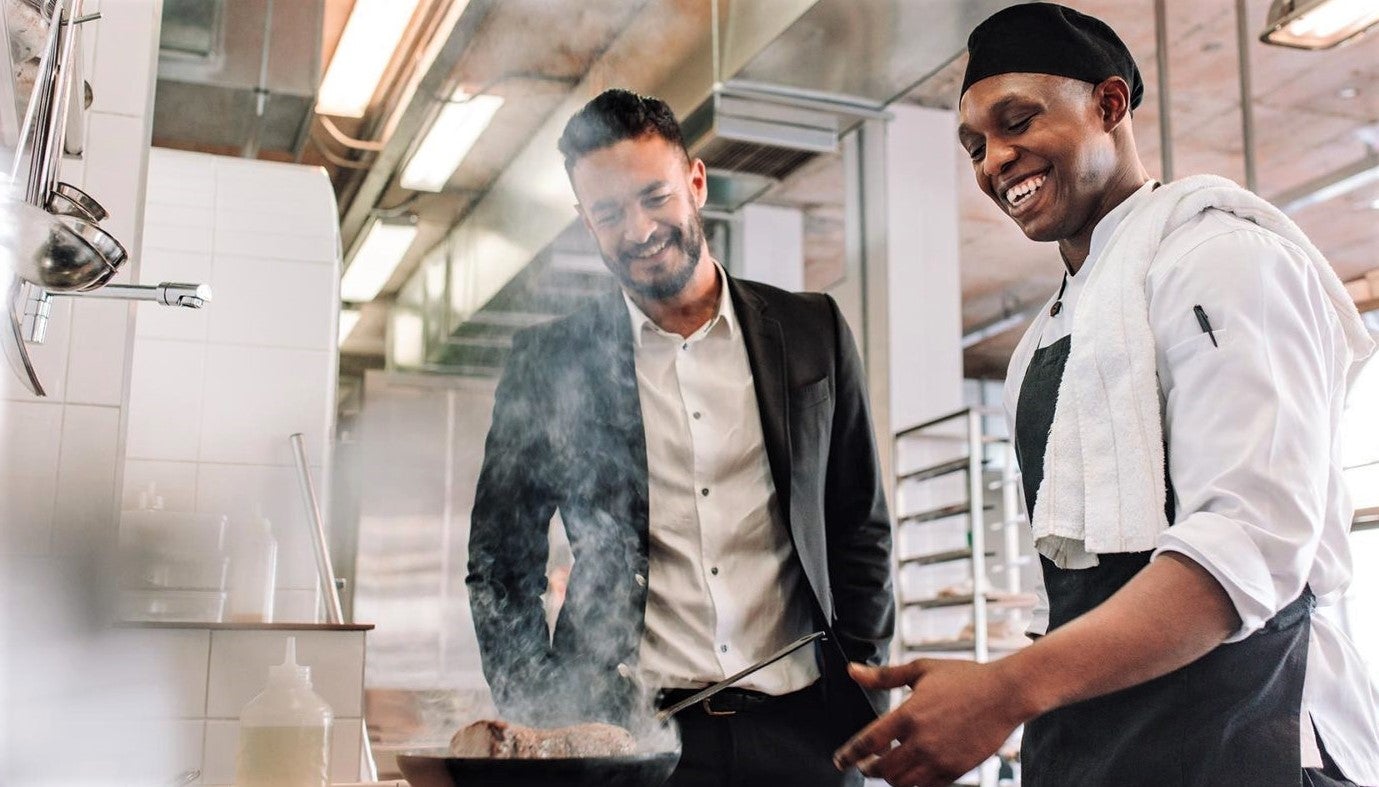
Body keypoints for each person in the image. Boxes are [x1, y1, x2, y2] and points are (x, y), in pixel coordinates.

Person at [833, 4, 1379, 787]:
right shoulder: (1042, 344)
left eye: (1017, 120)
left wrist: (1007, 689)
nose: (994, 161)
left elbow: (1248, 543)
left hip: (1250, 737)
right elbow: (1078, 589)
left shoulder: (1221, 259)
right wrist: (993, 692)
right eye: (975, 145)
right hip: (1107, 752)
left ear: (1109, 104)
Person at [467, 88, 893, 787]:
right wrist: (545, 711)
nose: (637, 229)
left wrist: (861, 683)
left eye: (653, 197)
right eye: (607, 213)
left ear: (694, 183)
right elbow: (498, 562)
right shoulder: (548, 364)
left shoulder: (811, 329)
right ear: (585, 221)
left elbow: (858, 525)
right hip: (628, 742)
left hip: (807, 738)